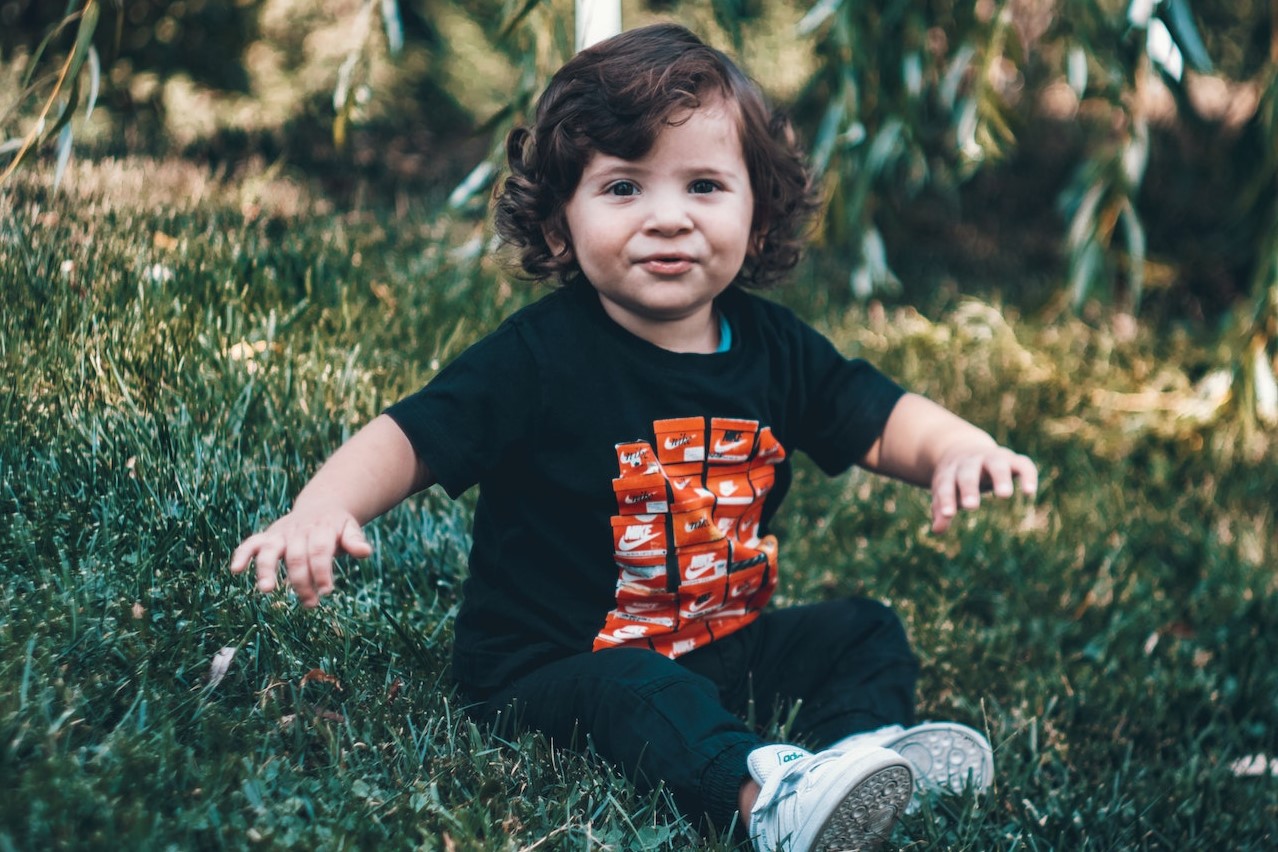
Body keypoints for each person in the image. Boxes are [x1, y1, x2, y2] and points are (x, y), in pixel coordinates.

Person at [230, 23, 1038, 851]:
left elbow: (875, 415)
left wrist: (953, 447)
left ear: (757, 215)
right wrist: (322, 505)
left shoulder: (775, 347)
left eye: (704, 187)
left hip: (723, 641)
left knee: (864, 630)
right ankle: (768, 800)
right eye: (623, 188)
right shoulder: (540, 358)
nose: (667, 219)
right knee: (639, 692)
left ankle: (857, 759)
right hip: (556, 671)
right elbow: (412, 435)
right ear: (558, 224)